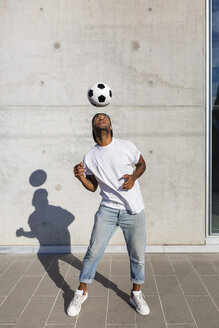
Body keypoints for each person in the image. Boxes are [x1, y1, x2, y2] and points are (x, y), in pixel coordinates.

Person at [67, 113, 149, 317]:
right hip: (108, 209)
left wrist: (134, 176)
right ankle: (81, 291)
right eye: (97, 118)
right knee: (93, 252)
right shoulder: (90, 157)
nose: (100, 119)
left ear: (111, 127)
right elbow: (93, 186)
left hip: (134, 210)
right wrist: (80, 178)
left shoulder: (126, 146)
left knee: (137, 256)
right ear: (93, 130)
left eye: (104, 117)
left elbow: (142, 164)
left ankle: (136, 294)